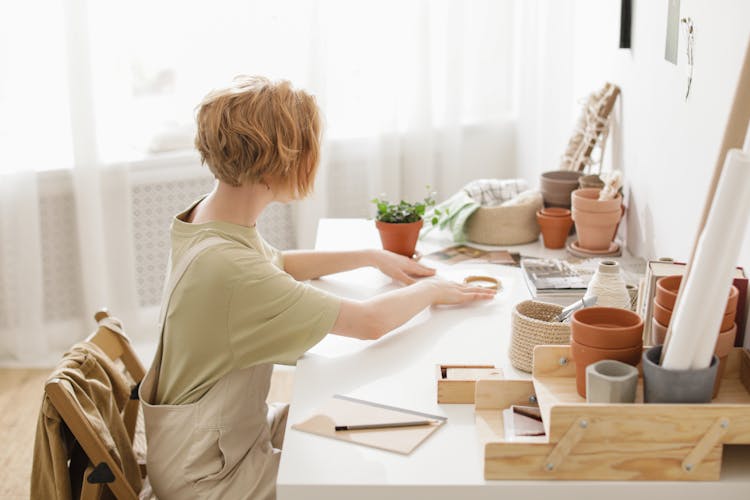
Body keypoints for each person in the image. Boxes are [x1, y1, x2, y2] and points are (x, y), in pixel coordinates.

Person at [139, 76, 495, 500]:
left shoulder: (210, 219)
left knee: (367, 422)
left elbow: (278, 264)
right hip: (208, 475)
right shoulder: (232, 269)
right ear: (275, 164)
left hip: (218, 436)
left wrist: (368, 255)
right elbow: (370, 322)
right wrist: (435, 290)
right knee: (370, 477)